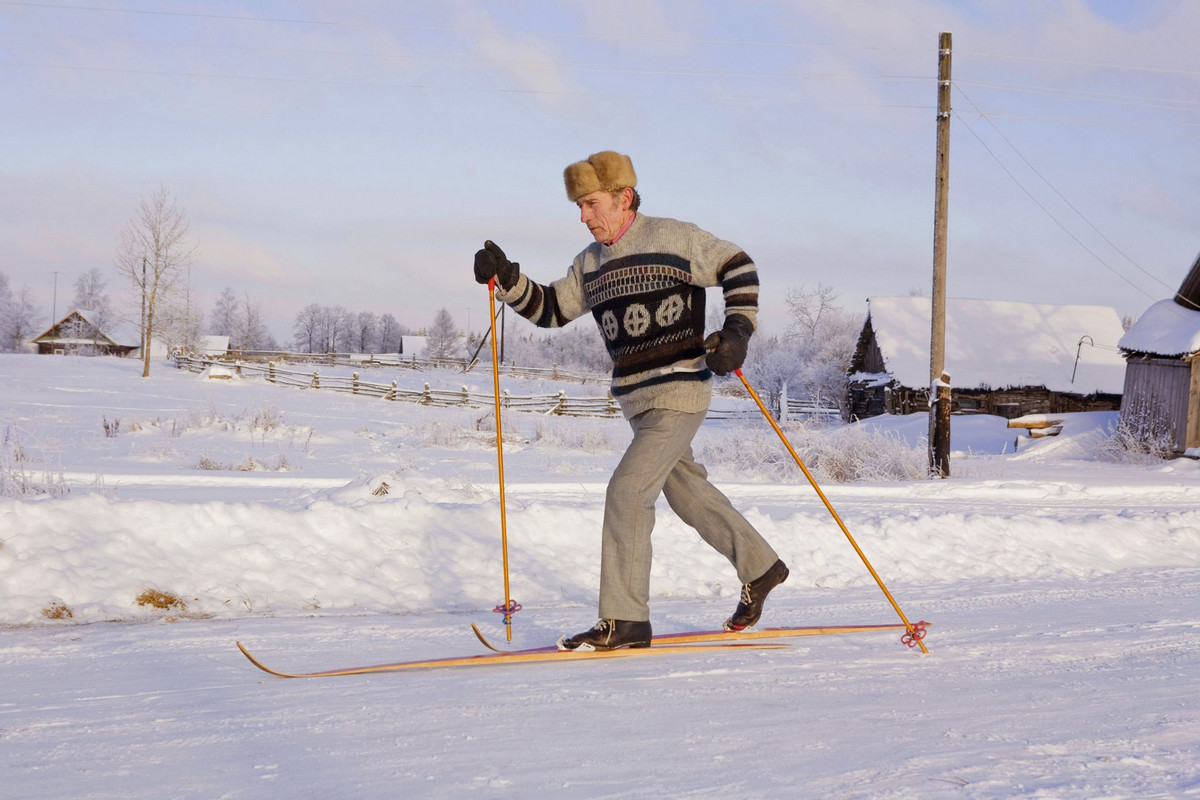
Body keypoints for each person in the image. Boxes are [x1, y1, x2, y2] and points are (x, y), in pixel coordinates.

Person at [473, 150, 788, 651]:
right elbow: (552, 309)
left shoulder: (674, 238)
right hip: (638, 403)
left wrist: (737, 331)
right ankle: (762, 565)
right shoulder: (590, 263)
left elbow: (738, 265)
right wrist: (508, 280)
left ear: (624, 198)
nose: (584, 216)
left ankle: (625, 619)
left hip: (681, 390)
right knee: (685, 490)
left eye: (592, 204)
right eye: (578, 206)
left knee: (626, 492)